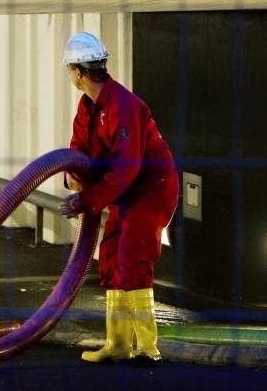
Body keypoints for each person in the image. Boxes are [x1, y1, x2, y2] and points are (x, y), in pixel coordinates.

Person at [58, 31, 179, 363]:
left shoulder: (124, 106)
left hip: (150, 187)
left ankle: (147, 347)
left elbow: (126, 167)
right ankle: (118, 344)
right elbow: (78, 149)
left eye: (70, 69)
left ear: (78, 72)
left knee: (132, 255)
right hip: (122, 189)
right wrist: (74, 180)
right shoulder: (88, 108)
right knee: (110, 255)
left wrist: (89, 198)